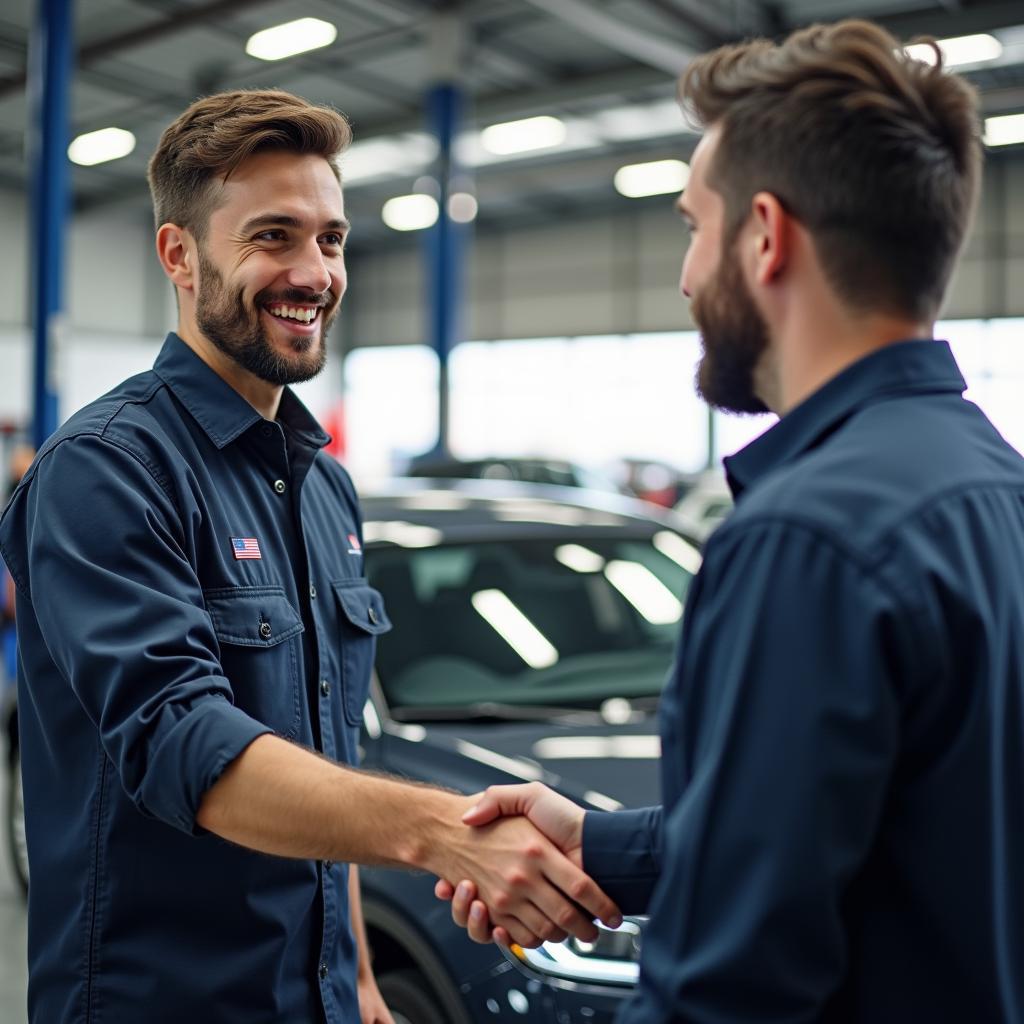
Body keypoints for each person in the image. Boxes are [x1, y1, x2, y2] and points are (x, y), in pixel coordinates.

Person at [438, 19, 1024, 1023]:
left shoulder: (805, 540)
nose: (683, 275)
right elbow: (873, 828)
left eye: (691, 226)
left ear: (764, 234)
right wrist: (599, 841)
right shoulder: (995, 489)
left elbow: (725, 985)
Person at [0, 89, 620, 1024]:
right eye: (274, 237)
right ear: (180, 254)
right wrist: (447, 836)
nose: (314, 272)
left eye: (330, 240)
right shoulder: (107, 470)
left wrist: (359, 975)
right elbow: (184, 743)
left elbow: (332, 750)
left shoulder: (324, 488)